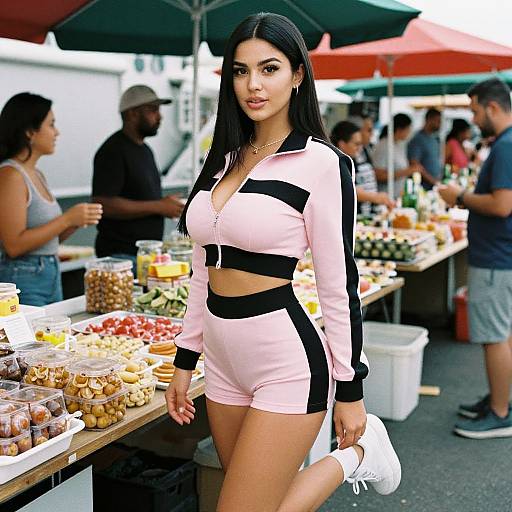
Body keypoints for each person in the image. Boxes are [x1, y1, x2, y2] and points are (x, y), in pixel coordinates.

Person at [165, 13, 401, 512]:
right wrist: (184, 361)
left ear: (297, 75)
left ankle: (357, 458)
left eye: (269, 69)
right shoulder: (223, 158)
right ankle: (356, 459)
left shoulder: (323, 163)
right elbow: (201, 272)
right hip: (222, 362)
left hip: (286, 360)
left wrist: (350, 387)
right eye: (240, 70)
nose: (253, 85)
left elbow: (339, 285)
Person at [438, 78, 512, 439]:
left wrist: (460, 196)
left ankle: (500, 413)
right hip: (500, 255)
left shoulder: (505, 146)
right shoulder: (504, 145)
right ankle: (501, 401)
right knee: (501, 334)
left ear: (492, 107)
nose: (473, 116)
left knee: (494, 336)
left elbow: (502, 205)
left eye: (474, 110)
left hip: (496, 257)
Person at [0, 93, 102, 306]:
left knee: (53, 338)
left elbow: (46, 239)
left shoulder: (37, 174)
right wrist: (66, 219)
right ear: (30, 132)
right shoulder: (11, 175)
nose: (57, 132)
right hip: (22, 277)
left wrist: (76, 222)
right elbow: (14, 245)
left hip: (49, 272)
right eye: (51, 125)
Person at [92, 85, 184, 264]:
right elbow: (103, 203)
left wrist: (165, 204)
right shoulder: (113, 150)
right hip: (121, 256)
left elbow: (140, 196)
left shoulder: (145, 150)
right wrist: (158, 206)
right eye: (153, 110)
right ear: (132, 113)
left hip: (144, 255)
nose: (160, 116)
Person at [330, 120, 394, 215]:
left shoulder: (355, 156)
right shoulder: (335, 163)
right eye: (356, 144)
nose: (360, 148)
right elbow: (346, 190)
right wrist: (376, 197)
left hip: (367, 214)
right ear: (342, 144)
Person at [372, 113, 420, 199]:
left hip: (398, 196)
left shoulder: (399, 145)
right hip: (386, 197)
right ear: (399, 130)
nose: (409, 132)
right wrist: (407, 171)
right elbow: (378, 175)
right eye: (408, 129)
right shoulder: (384, 146)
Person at [407, 108, 442, 188]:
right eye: (438, 121)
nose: (440, 124)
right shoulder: (417, 139)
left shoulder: (434, 138)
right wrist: (433, 181)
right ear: (429, 119)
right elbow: (414, 163)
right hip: (423, 187)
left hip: (435, 184)